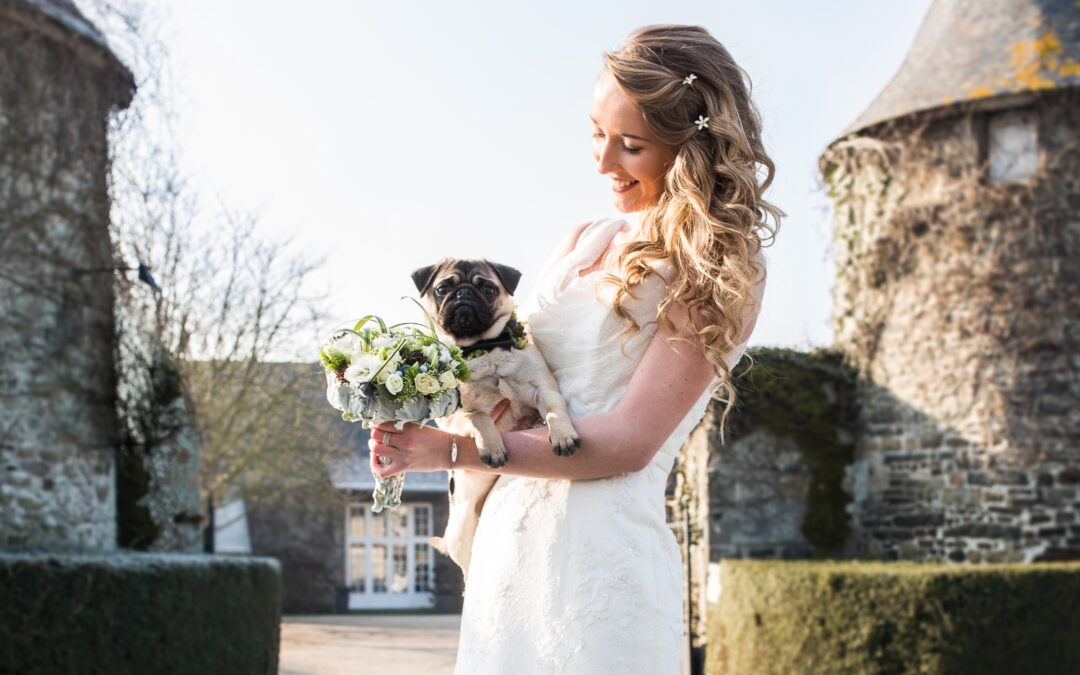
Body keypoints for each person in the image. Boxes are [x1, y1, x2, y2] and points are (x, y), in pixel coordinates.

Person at [368, 23, 780, 674]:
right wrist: (440, 408)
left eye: (631, 144)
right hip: (509, 558)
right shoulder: (583, 240)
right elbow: (513, 376)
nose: (602, 161)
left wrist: (447, 450)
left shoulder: (718, 265)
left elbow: (629, 440)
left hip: (602, 565)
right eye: (596, 131)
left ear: (689, 146)